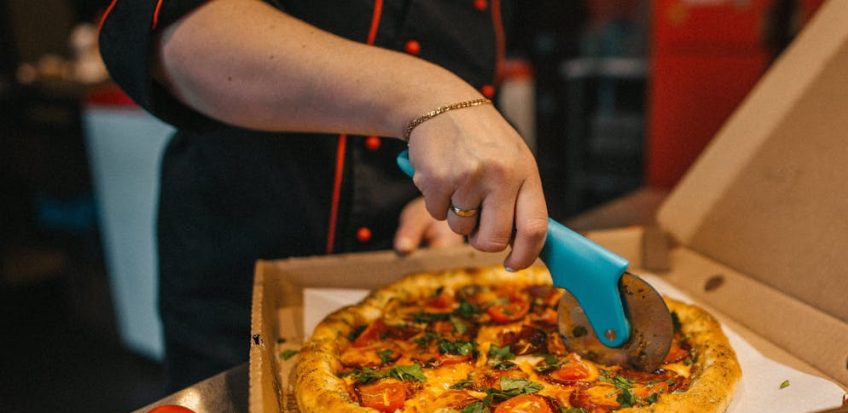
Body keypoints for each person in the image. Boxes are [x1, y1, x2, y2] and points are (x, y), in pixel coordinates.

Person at [98, 0, 548, 390]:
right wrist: (436, 102)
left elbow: (466, 62)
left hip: (428, 283)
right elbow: (177, 37)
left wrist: (456, 193)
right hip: (249, 275)